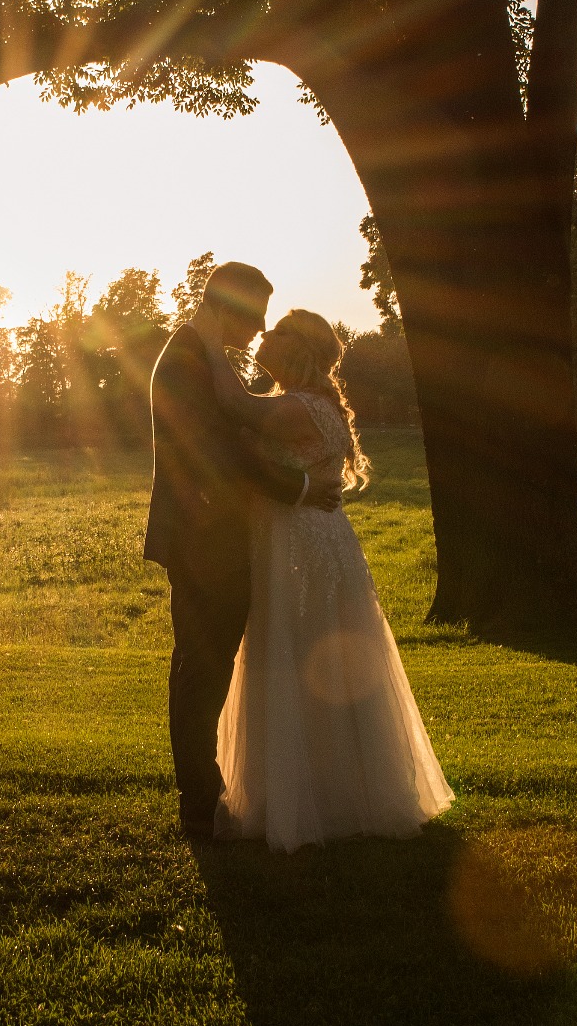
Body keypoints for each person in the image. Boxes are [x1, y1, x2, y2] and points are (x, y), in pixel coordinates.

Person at [199, 308, 454, 851]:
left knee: (295, 656)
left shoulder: (295, 408)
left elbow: (233, 406)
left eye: (278, 330)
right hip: (320, 539)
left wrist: (209, 342)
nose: (264, 334)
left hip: (297, 543)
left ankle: (308, 802)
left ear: (299, 349)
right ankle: (337, 791)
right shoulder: (313, 404)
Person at [145, 263, 342, 840]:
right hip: (204, 536)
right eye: (255, 317)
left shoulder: (202, 355)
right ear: (227, 307)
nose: (259, 330)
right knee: (202, 672)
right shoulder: (187, 358)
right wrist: (299, 488)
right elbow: (218, 451)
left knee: (208, 670)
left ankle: (207, 799)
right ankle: (200, 806)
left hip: (219, 536)